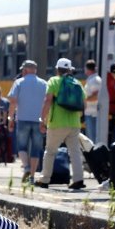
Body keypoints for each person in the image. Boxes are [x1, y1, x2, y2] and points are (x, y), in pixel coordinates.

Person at [35, 57, 86, 190]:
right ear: (70, 70)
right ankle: (78, 179)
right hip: (74, 123)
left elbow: (48, 100)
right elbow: (83, 103)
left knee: (50, 151)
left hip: (57, 123)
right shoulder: (77, 83)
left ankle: (44, 179)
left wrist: (42, 119)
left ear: (57, 69)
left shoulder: (53, 81)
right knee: (74, 152)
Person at [8, 59, 47, 183]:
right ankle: (32, 177)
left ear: (25, 70)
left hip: (23, 119)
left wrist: (10, 118)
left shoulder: (19, 82)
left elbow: (13, 101)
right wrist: (45, 120)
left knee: (22, 146)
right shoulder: (44, 83)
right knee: (36, 148)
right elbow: (48, 102)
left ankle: (26, 167)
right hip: (39, 120)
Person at [83, 59, 102, 142]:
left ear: (87, 69)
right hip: (90, 112)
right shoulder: (92, 79)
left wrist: (83, 100)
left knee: (92, 138)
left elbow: (96, 96)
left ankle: (94, 153)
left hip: (93, 113)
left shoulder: (95, 80)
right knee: (91, 137)